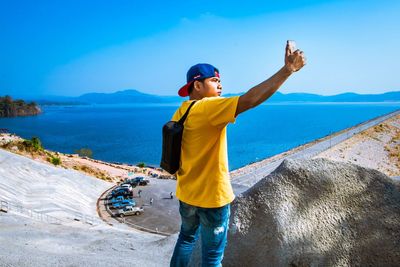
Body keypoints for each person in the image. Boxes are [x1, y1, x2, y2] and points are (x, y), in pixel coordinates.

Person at [169, 41, 306, 267]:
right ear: (197, 86)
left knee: (186, 239)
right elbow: (250, 99)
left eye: (220, 81)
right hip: (212, 198)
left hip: (187, 194)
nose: (220, 86)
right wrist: (287, 70)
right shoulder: (208, 107)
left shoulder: (182, 110)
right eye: (214, 81)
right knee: (212, 257)